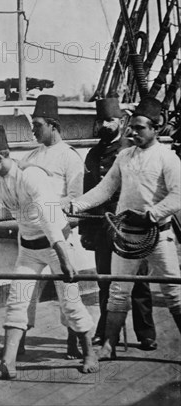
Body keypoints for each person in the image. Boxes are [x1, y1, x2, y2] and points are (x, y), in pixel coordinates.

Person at [0, 125, 97, 381]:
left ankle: (89, 353)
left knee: (71, 304)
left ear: (0, 158)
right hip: (28, 249)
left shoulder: (31, 176)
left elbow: (49, 220)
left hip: (56, 243)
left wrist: (65, 260)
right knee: (17, 302)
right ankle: (7, 364)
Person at [71, 96, 181, 360]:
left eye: (140, 127)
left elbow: (178, 196)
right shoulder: (124, 157)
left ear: (156, 128)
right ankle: (108, 346)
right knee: (118, 294)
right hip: (126, 238)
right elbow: (104, 189)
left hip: (159, 236)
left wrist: (151, 215)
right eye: (131, 126)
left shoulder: (168, 159)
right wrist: (76, 205)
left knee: (174, 293)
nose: (133, 132)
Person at [79, 97, 156, 350]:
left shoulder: (129, 151)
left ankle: (146, 332)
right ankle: (103, 331)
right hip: (102, 227)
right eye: (101, 120)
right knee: (105, 280)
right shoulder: (93, 154)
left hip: (127, 226)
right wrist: (86, 229)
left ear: (122, 122)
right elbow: (89, 191)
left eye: (110, 120)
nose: (104, 124)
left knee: (138, 281)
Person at [21, 95, 86, 359]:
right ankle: (19, 340)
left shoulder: (70, 157)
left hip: (60, 233)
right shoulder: (31, 156)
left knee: (67, 290)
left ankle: (73, 341)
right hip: (32, 236)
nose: (33, 130)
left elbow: (76, 199)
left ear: (52, 125)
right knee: (23, 290)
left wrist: (49, 205)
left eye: (37, 125)